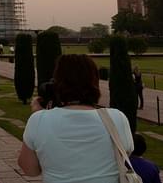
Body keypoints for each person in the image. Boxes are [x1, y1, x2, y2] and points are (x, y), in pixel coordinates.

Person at [18, 54, 134, 182]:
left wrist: (39, 117)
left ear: (57, 82)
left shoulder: (38, 120)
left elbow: (30, 170)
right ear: (94, 81)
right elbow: (124, 156)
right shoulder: (117, 118)